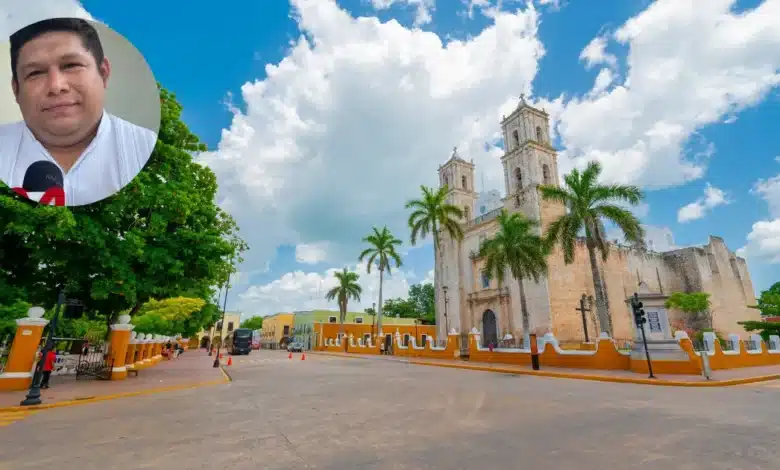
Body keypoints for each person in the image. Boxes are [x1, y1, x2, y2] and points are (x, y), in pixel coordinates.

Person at [0, 18, 158, 206]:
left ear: (104, 72)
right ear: (16, 89)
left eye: (71, 65)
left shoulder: (148, 149)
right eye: (35, 73)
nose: (56, 86)